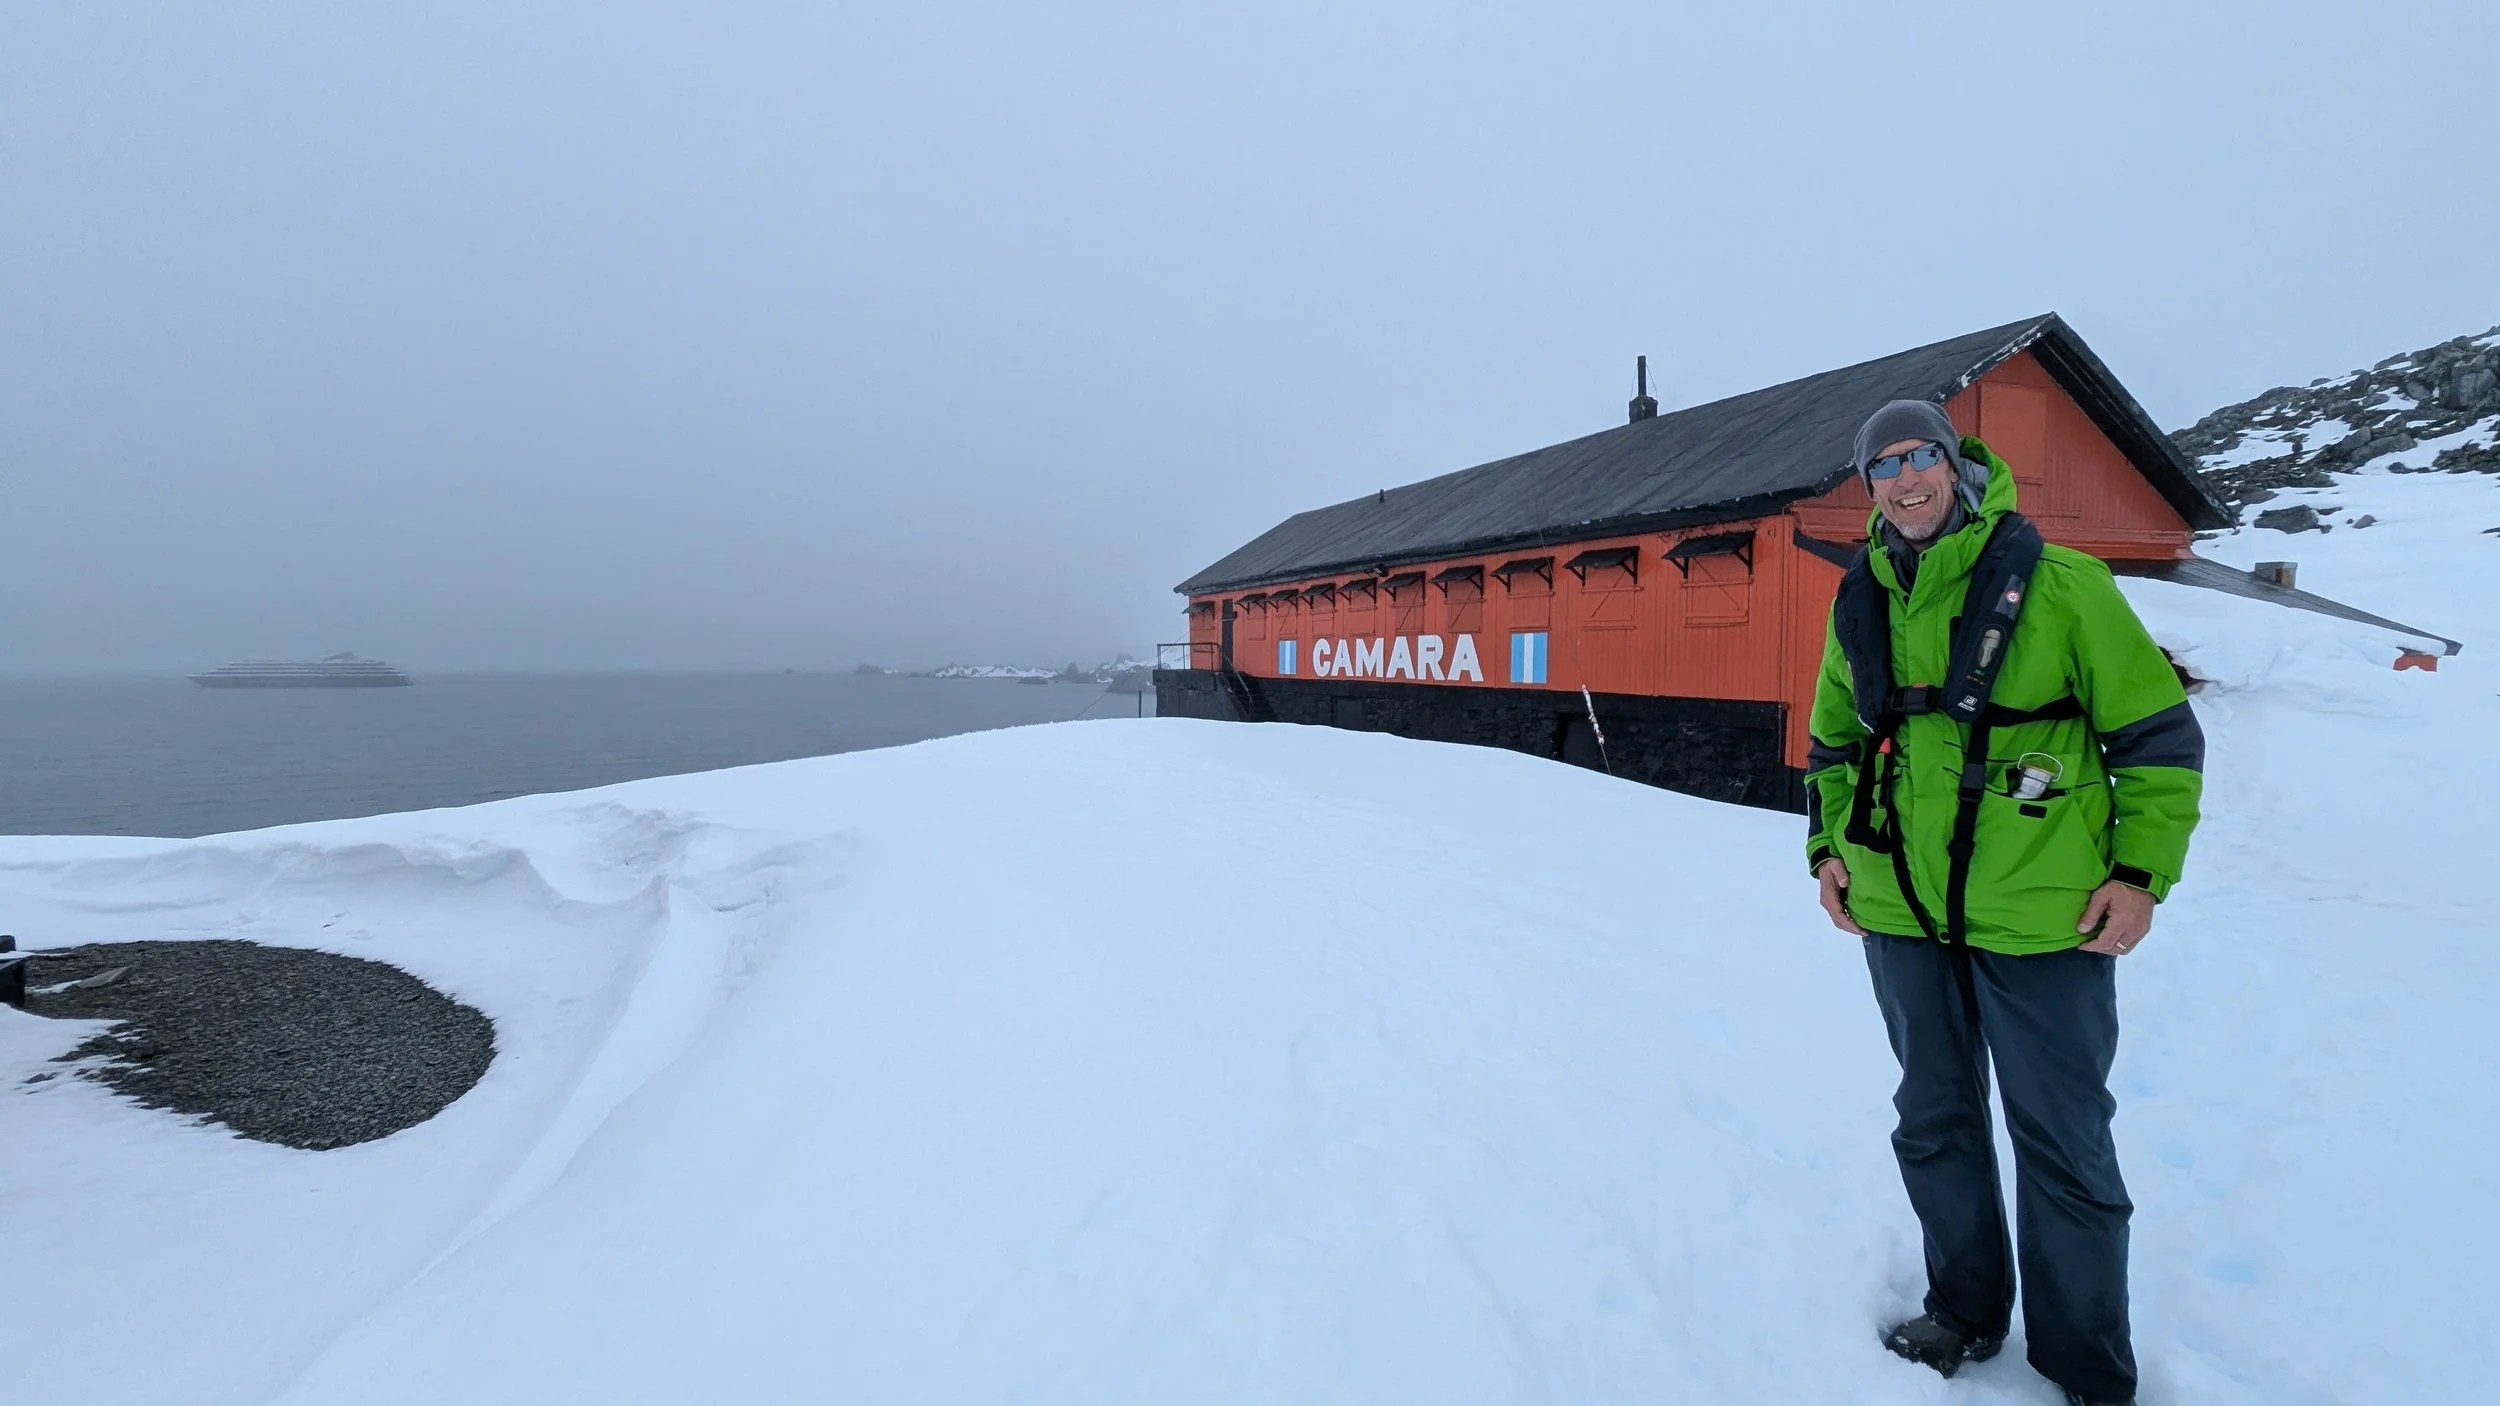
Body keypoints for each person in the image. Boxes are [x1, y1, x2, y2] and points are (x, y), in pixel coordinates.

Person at [1803, 400, 2204, 1406]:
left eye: (1919, 457)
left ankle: (2085, 1362)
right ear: (1869, 487)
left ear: (1957, 465)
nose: (1904, 479)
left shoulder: (2064, 584)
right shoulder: (1859, 598)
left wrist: (2139, 874)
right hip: (1901, 909)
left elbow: (2160, 740)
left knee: (2061, 1138)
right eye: (1883, 465)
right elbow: (1833, 744)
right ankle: (1964, 1309)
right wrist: (1828, 850)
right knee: (1933, 1119)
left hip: (2044, 914)